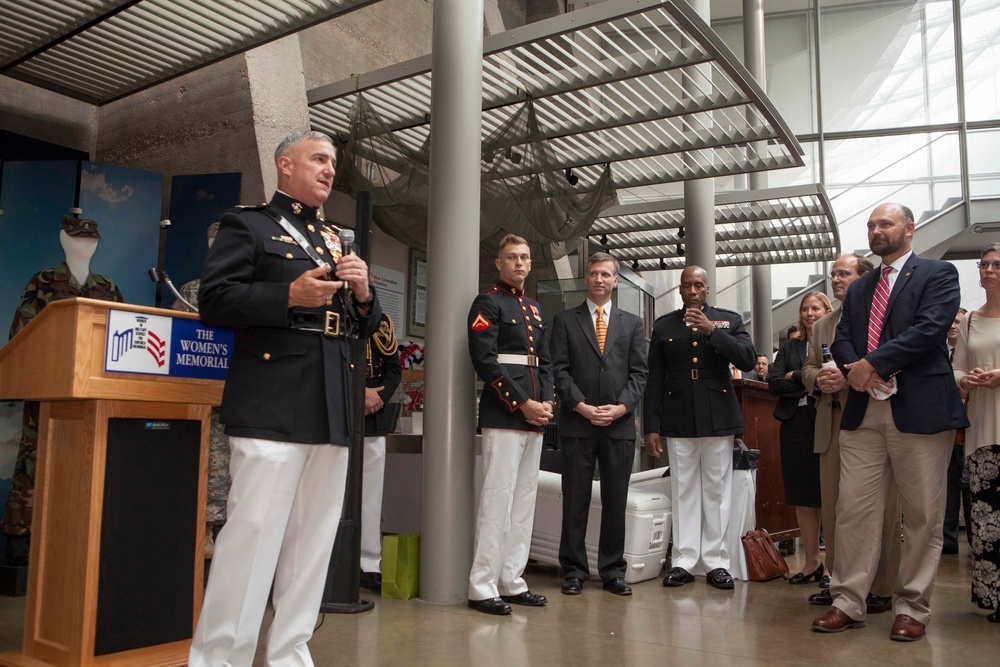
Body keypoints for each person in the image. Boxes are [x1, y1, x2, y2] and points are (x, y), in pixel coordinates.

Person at [190, 130, 381, 666]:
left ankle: (290, 654)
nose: (328, 170)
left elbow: (362, 326)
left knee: (311, 547)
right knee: (251, 539)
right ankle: (219, 660)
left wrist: (364, 294)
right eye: (318, 159)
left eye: (333, 163)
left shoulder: (335, 239)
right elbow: (216, 300)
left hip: (331, 402)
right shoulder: (247, 224)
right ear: (284, 165)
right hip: (273, 400)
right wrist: (287, 295)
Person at [812, 202, 968, 642]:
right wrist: (860, 371)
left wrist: (871, 367)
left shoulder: (938, 275)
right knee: (853, 512)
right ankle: (848, 601)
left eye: (885, 223)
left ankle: (912, 606)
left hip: (919, 410)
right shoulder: (860, 289)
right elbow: (842, 340)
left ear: (909, 229)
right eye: (870, 225)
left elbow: (930, 329)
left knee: (922, 515)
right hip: (864, 412)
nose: (876, 230)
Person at [3, 215, 124, 565]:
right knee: (34, 458)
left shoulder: (108, 287)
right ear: (63, 239)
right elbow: (22, 337)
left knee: (87, 461)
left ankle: (76, 532)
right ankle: (18, 536)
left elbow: (122, 337)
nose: (85, 245)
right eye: (77, 238)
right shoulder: (43, 282)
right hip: (49, 389)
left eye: (91, 240)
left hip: (92, 392)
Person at [643, 265, 757, 590]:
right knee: (683, 490)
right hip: (678, 415)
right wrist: (651, 425)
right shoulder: (664, 325)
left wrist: (711, 331)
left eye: (698, 285)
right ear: (680, 290)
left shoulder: (728, 320)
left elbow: (748, 358)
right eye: (686, 286)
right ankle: (683, 560)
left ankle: (717, 561)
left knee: (716, 491)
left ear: (707, 289)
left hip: (717, 414)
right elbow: (655, 378)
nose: (692, 291)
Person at [800, 253, 899, 614]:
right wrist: (817, 378)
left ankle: (882, 587)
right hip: (832, 423)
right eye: (833, 274)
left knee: (881, 509)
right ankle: (841, 583)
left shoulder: (882, 316)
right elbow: (809, 366)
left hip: (875, 419)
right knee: (837, 508)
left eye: (844, 273)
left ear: (865, 278)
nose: (836, 279)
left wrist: (850, 375)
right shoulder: (823, 324)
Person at [550, 252, 648, 597]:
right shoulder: (564, 321)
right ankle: (574, 570)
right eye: (593, 273)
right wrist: (582, 407)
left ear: (615, 280)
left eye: (606, 274)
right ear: (586, 278)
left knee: (615, 501)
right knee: (574, 500)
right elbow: (558, 371)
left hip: (618, 427)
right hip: (578, 425)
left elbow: (640, 374)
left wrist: (622, 408)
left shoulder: (632, 324)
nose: (599, 279)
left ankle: (612, 571)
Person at [466, 234, 554, 615]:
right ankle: (482, 585)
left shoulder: (534, 309)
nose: (519, 263)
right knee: (497, 499)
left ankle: (512, 579)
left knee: (524, 501)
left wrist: (548, 403)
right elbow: (486, 361)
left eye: (524, 257)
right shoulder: (488, 302)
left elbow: (546, 362)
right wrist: (524, 404)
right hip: (505, 414)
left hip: (536, 416)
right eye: (512, 257)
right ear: (499, 263)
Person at [172, 221, 230, 560]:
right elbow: (174, 338)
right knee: (206, 464)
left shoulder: (254, 290)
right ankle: (203, 531)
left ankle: (230, 534)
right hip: (199, 399)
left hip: (241, 397)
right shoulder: (189, 292)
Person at [769, 291, 832, 585]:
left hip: (828, 421)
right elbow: (774, 381)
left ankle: (834, 567)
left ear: (826, 311)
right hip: (795, 425)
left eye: (816, 308)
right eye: (805, 308)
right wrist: (804, 380)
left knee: (830, 496)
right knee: (802, 496)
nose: (809, 313)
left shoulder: (834, 341)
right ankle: (810, 563)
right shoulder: (791, 345)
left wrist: (803, 378)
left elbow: (833, 382)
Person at [953, 243, 1000, 624]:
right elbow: (956, 370)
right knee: (986, 521)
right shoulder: (969, 321)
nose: (988, 270)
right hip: (984, 430)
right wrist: (967, 378)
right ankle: (994, 596)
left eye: (996, 264)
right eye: (983, 264)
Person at [359, 313, 402, 593]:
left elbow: (393, 369)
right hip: (338, 411)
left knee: (371, 496)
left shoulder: (382, 322)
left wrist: (377, 398)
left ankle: (369, 563)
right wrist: (357, 393)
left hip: (373, 418)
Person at [944, 307, 971, 554]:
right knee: (948, 484)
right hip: (944, 427)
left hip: (972, 425)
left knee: (970, 484)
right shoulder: (936, 352)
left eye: (958, 321)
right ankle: (947, 541)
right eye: (950, 321)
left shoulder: (971, 353)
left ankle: (976, 540)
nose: (953, 325)